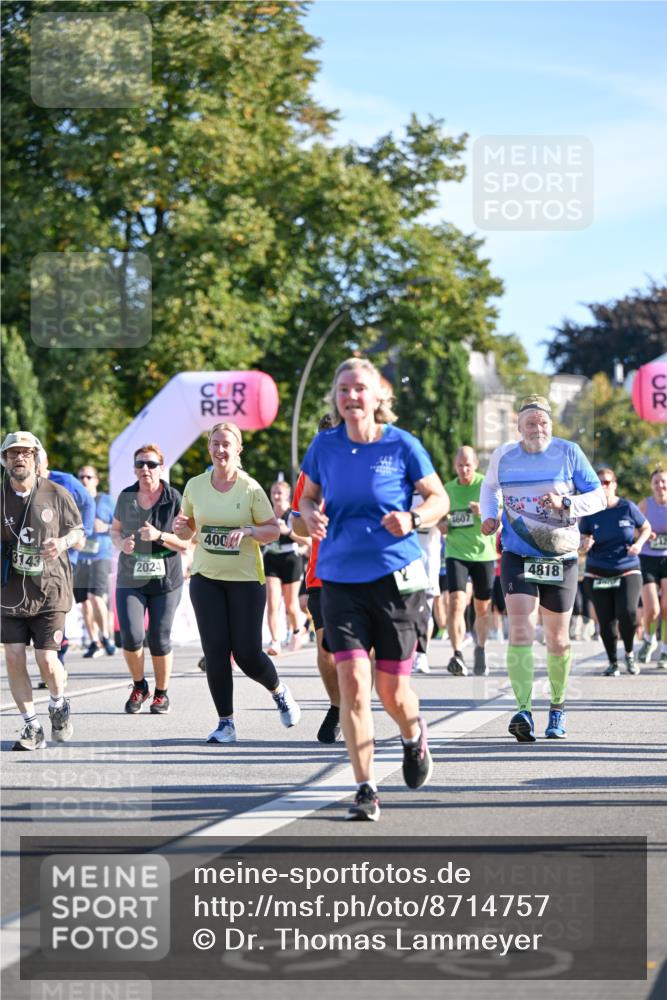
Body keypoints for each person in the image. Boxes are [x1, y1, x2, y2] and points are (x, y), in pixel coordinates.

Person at [299, 357, 450, 821]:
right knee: (353, 686)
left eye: (359, 389)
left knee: (392, 692)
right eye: (343, 390)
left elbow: (438, 498)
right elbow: (306, 497)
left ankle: (413, 734)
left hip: (395, 583)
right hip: (340, 578)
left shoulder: (403, 446)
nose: (351, 397)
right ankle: (365, 787)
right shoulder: (324, 446)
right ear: (336, 397)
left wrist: (413, 518)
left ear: (378, 396)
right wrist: (308, 514)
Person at [480, 395, 606, 742]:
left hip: (561, 557)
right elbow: (489, 488)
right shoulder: (503, 456)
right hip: (518, 554)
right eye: (530, 423)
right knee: (520, 629)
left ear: (551, 425)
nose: (538, 428)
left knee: (558, 639)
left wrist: (567, 502)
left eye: (543, 422)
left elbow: (598, 497)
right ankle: (522, 710)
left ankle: (557, 707)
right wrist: (489, 516)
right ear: (518, 427)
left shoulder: (569, 452)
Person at [172, 422, 301, 742]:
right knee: (215, 652)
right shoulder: (195, 486)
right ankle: (225, 723)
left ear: (238, 449)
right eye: (214, 443)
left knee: (246, 653)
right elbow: (188, 532)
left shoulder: (250, 488)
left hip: (245, 579)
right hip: (206, 577)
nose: (220, 449)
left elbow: (273, 529)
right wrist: (180, 527)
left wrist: (250, 532)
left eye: (226, 444)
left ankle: (278, 690)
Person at [1, 431, 84, 750]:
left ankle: (58, 703)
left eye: (25, 453)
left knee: (47, 660)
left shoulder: (57, 493)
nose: (18, 458)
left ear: (36, 458)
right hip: (10, 591)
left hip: (51, 589)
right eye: (12, 454)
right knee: (12, 655)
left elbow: (80, 535)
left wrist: (62, 542)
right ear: (5, 461)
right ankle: (31, 726)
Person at [111, 444, 189, 715]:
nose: (146, 469)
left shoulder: (174, 498)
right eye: (141, 464)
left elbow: (187, 542)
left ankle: (161, 693)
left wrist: (159, 536)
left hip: (166, 579)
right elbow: (115, 531)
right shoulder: (126, 496)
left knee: (159, 637)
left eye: (152, 464)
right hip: (130, 578)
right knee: (131, 636)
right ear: (134, 469)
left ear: (161, 468)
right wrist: (122, 544)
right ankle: (139, 685)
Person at [291, 417, 341, 743]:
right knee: (326, 650)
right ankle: (338, 705)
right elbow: (295, 526)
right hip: (322, 573)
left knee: (362, 650)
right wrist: (312, 520)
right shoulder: (309, 476)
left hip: (365, 572)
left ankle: (355, 707)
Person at [579, 468, 650, 676]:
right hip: (598, 570)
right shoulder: (591, 511)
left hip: (627, 567)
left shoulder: (627, 507)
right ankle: (612, 661)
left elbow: (646, 527)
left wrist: (638, 544)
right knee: (605, 618)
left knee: (627, 613)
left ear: (615, 484)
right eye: (599, 482)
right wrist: (585, 544)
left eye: (607, 482)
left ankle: (628, 653)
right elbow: (582, 540)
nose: (603, 486)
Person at [37, 449, 95, 668]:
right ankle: (53, 654)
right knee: (41, 606)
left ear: (46, 462)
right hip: (36, 556)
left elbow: (89, 502)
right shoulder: (26, 485)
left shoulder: (65, 481)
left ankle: (58, 660)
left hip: (65, 554)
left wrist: (83, 532)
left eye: (39, 463)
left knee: (54, 605)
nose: (36, 469)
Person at [444, 446, 498, 677]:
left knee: (481, 607)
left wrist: (482, 512)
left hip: (483, 554)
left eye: (468, 465)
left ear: (475, 464)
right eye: (459, 465)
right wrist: (442, 525)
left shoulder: (486, 486)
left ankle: (481, 649)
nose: (464, 469)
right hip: (456, 552)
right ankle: (457, 653)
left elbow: (500, 519)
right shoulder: (447, 489)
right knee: (455, 602)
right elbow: (439, 520)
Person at [263, 479, 310, 655]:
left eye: (279, 492)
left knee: (291, 605)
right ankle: (275, 641)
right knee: (273, 603)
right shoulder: (266, 514)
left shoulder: (292, 516)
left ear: (287, 495)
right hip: (271, 558)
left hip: (291, 558)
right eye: (273, 492)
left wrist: (288, 532)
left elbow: (308, 541)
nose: (276, 496)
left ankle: (297, 632)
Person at [75, 464, 116, 658]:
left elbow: (122, 526)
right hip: (81, 556)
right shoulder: (75, 501)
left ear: (96, 480)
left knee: (95, 597)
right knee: (84, 602)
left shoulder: (106, 501)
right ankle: (93, 641)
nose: (84, 480)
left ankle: (106, 636)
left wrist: (106, 526)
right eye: (81, 477)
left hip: (102, 555)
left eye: (89, 477)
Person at [637, 468, 667, 668]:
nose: (660, 486)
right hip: (647, 558)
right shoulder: (644, 506)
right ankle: (649, 639)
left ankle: (665, 651)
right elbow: (632, 530)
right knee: (652, 610)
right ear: (651, 485)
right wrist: (645, 534)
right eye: (656, 482)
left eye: (664, 481)